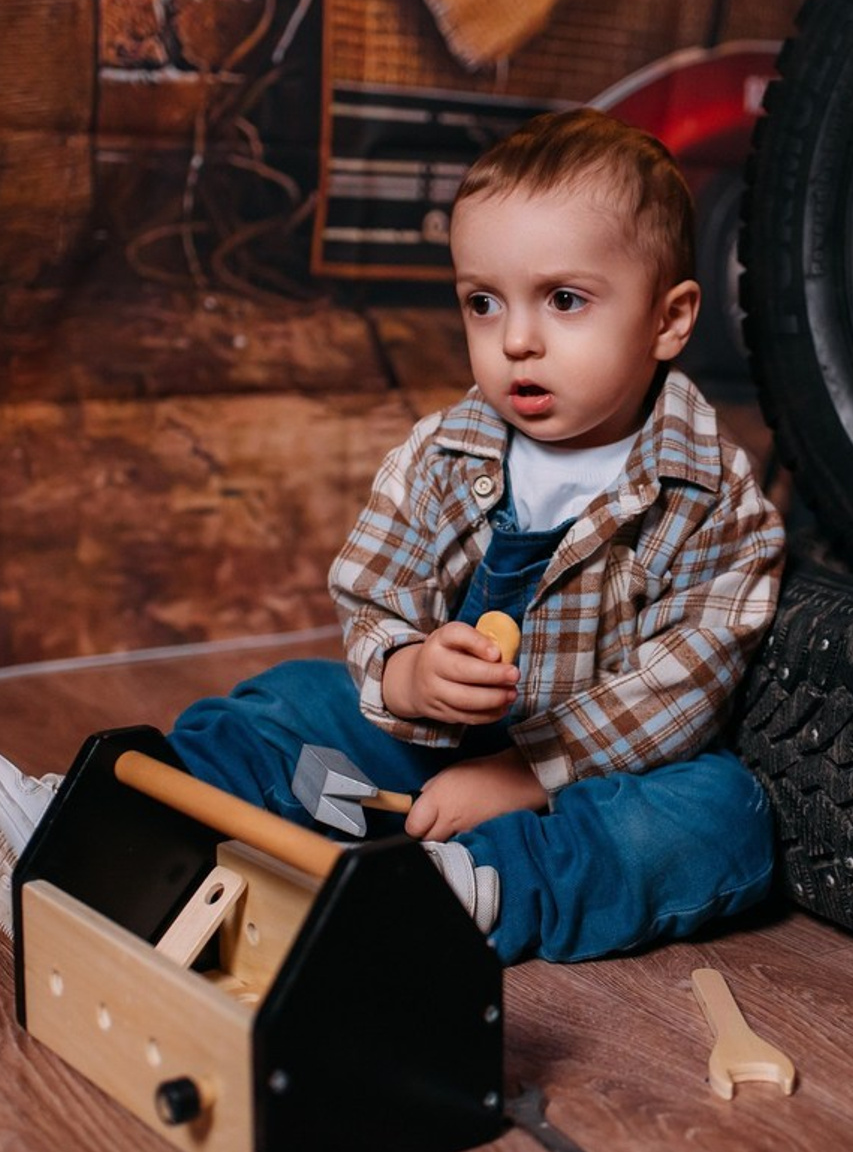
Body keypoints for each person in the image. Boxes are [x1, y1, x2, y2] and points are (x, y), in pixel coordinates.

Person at [0, 108, 786, 962]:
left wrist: (521, 776)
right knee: (291, 696)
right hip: (432, 746)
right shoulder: (444, 453)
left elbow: (688, 681)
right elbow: (377, 591)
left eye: (564, 300)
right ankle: (112, 822)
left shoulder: (709, 490)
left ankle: (469, 888)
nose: (517, 340)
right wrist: (409, 674)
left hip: (590, 777)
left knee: (723, 812)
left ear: (669, 321)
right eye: (483, 303)